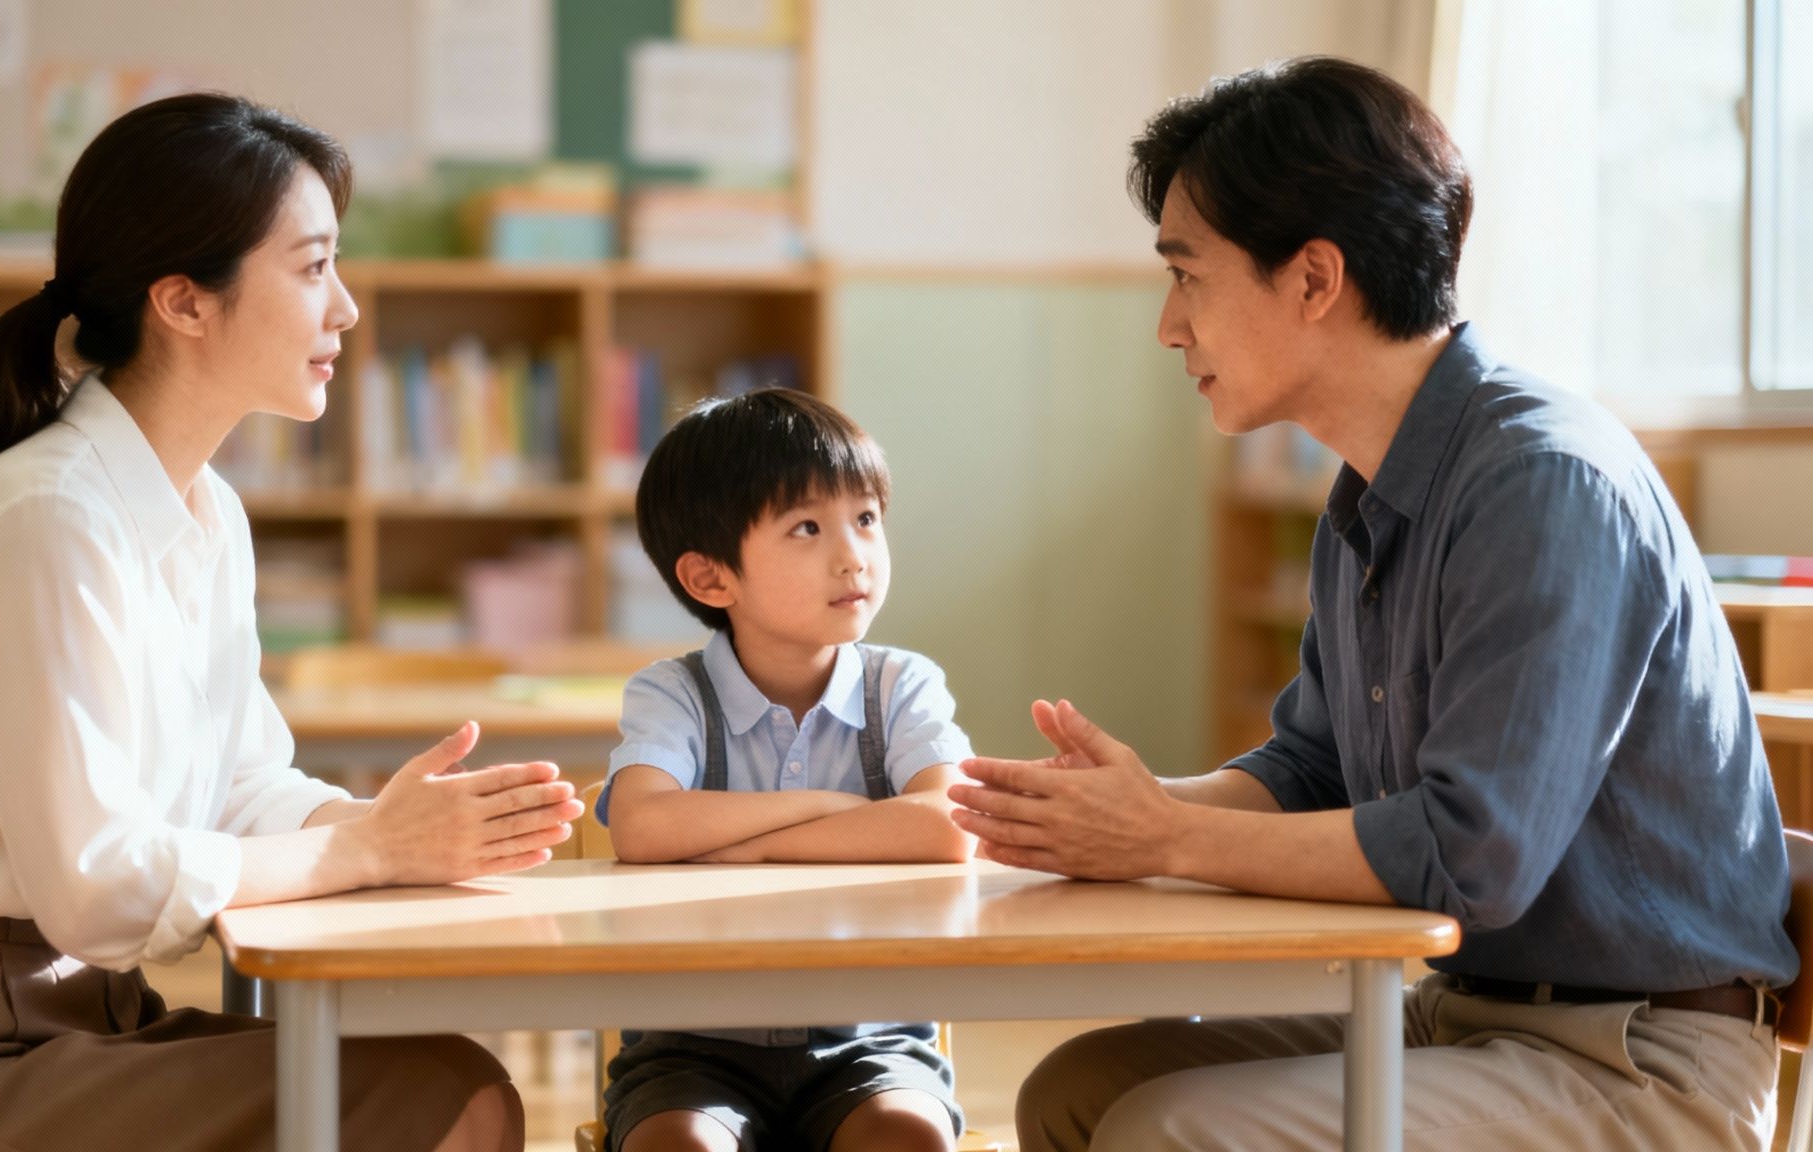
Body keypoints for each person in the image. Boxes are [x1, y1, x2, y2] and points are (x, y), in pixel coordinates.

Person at [947, 57, 1798, 1151]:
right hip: (1471, 1018)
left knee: (1163, 1127)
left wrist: (1161, 837)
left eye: (1187, 275)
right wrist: (1114, 815)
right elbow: (1310, 777)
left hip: (1638, 1065)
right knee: (1078, 1088)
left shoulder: (1542, 482)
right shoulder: (1366, 492)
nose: (1167, 325)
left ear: (1311, 280)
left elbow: (1468, 857)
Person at [0, 92, 583, 1152]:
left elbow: (242, 784)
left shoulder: (203, 511)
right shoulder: (50, 518)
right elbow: (97, 887)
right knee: (442, 1098)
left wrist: (391, 829)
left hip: (65, 1015)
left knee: (448, 1080)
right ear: (185, 303)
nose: (344, 308)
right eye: (311, 269)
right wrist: (363, 856)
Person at [598, 387, 973, 1152]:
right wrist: (839, 808)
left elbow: (950, 825)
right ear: (711, 579)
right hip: (690, 1048)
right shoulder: (671, 694)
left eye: (865, 518)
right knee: (682, 1147)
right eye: (807, 526)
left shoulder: (901, 684)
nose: (853, 554)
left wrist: (746, 845)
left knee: (906, 1136)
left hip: (871, 1043)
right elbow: (641, 824)